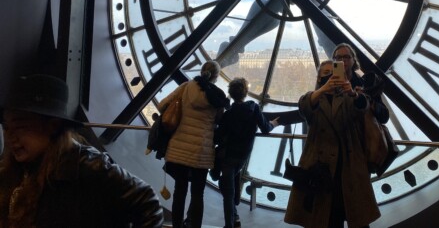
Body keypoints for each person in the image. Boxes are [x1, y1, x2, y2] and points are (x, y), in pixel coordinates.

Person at [0, 73, 163, 228]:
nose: (10, 137)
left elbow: (147, 202)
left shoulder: (88, 166)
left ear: (52, 126)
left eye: (20, 127)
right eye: (6, 127)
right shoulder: (17, 169)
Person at [284, 60, 380, 228]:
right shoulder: (347, 99)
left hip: (320, 170)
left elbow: (304, 107)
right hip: (348, 166)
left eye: (333, 72)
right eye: (327, 73)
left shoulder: (316, 99)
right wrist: (350, 94)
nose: (330, 76)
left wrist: (350, 92)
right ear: (320, 78)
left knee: (325, 217)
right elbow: (362, 107)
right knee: (356, 215)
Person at [158, 60, 228, 228]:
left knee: (179, 192)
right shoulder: (218, 97)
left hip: (179, 147)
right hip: (202, 151)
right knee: (197, 195)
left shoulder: (185, 87)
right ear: (216, 77)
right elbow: (220, 120)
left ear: (202, 70)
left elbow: (162, 106)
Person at [212, 77, 279, 228]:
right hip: (242, 157)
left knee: (227, 193)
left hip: (228, 157)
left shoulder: (228, 114)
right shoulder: (253, 108)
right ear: (245, 92)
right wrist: (274, 123)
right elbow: (266, 128)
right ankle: (233, 218)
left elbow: (218, 137)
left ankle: (231, 222)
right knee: (230, 190)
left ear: (231, 93)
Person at [332, 43, 389, 125]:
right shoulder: (328, 85)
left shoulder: (365, 83)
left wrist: (366, 98)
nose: (342, 60)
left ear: (353, 60)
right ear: (333, 61)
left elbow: (384, 116)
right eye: (338, 57)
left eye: (346, 57)